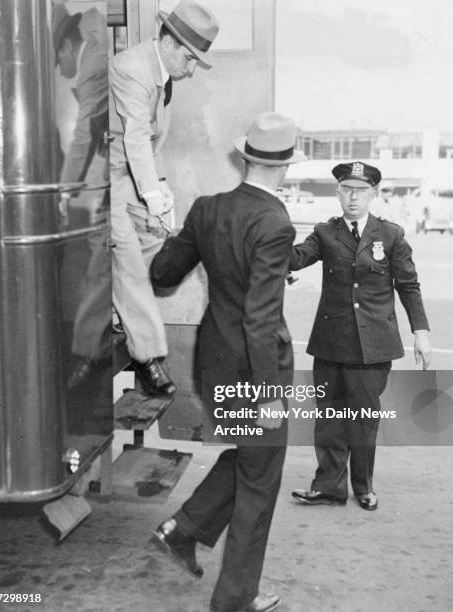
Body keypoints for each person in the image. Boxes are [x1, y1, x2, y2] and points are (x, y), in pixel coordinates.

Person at [150, 112, 305, 612]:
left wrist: (159, 233)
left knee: (250, 458)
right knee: (261, 476)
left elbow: (164, 273)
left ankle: (185, 527)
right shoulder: (275, 222)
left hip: (215, 362)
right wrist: (270, 397)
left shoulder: (208, 208)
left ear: (245, 157)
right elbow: (260, 322)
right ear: (284, 167)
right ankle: (236, 598)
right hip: (257, 370)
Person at [290, 161, 432, 511]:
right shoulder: (326, 233)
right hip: (331, 342)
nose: (353, 197)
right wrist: (271, 240)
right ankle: (328, 486)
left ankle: (363, 485)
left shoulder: (391, 235)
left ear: (374, 194)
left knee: (364, 419)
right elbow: (296, 258)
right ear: (338, 193)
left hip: (373, 346)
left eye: (361, 191)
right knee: (329, 417)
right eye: (346, 190)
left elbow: (408, 286)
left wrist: (421, 332)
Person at [109, 0, 219, 395]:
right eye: (190, 60)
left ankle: (121, 310)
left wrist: (161, 187)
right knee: (127, 258)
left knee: (160, 245)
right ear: (169, 43)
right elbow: (136, 136)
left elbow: (151, 148)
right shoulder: (131, 69)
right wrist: (152, 196)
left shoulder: (164, 74)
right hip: (100, 178)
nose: (191, 71)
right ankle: (148, 358)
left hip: (131, 173)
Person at [52, 5, 111, 388]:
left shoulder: (92, 60)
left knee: (101, 253)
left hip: (118, 171)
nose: (59, 68)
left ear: (71, 44)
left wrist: (64, 188)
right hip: (116, 168)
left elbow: (84, 136)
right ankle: (94, 347)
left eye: (58, 56)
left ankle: (88, 354)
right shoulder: (100, 43)